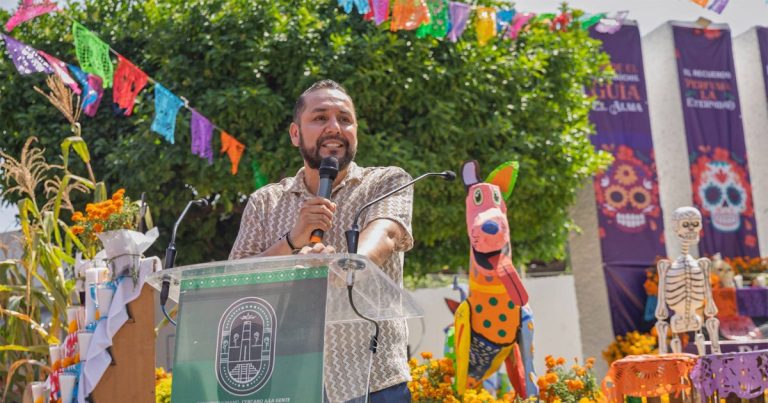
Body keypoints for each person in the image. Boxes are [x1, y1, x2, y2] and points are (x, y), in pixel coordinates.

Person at [229, 79, 414, 402]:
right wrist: (292, 240)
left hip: (372, 382)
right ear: (295, 134)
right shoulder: (266, 201)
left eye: (345, 119)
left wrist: (341, 267)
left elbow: (384, 235)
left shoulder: (386, 181)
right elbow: (235, 281)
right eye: (320, 118)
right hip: (288, 382)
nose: (334, 127)